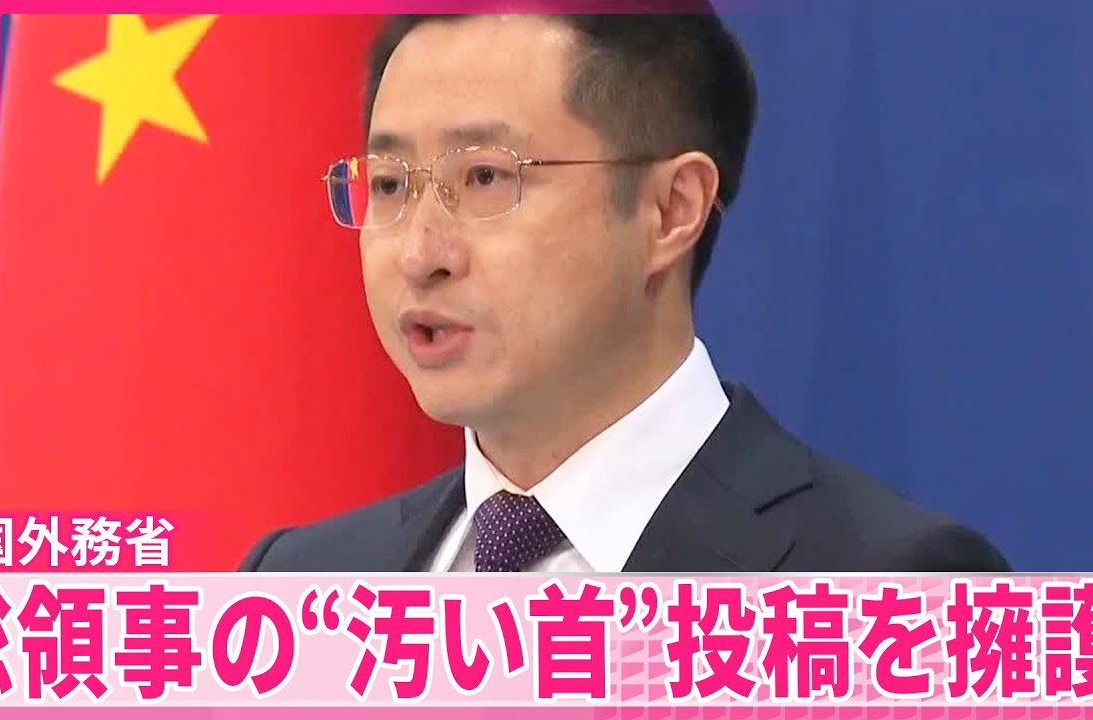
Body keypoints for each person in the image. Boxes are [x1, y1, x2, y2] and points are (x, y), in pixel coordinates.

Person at [240, 12, 1010, 573]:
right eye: (388, 184)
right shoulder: (299, 582)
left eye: (485, 178)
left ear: (671, 210)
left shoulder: (888, 584)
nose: (419, 255)